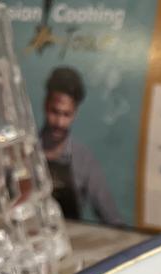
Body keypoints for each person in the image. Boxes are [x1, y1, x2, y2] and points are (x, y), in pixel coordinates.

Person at [40, 66, 122, 226]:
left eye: (66, 114)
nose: (59, 122)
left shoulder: (84, 160)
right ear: (45, 105)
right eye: (54, 112)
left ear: (75, 112)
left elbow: (112, 219)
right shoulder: (24, 152)